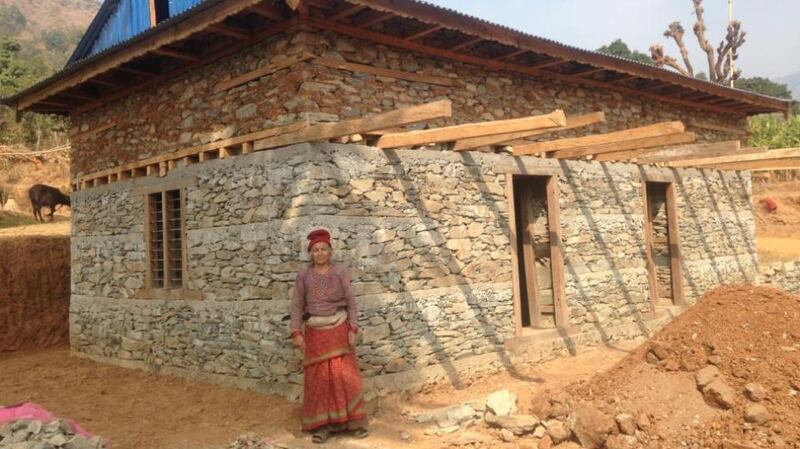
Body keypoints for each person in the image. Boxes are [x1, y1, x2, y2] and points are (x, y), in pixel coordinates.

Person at [290, 229, 368, 443]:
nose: (320, 253)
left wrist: (353, 328)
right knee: (320, 381)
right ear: (310, 253)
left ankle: (352, 423)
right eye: (316, 250)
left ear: (330, 251)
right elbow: (297, 304)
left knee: (344, 377)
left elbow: (351, 302)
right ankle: (322, 426)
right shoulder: (304, 276)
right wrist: (296, 332)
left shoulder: (340, 273)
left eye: (324, 249)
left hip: (339, 329)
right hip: (315, 332)